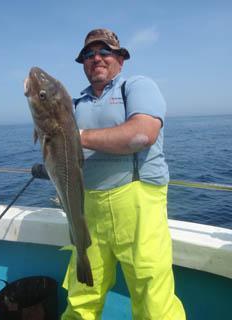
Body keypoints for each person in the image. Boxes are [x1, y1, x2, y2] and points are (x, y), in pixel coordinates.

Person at [61, 28, 186, 320]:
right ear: (83, 63)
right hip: (87, 208)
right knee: (82, 293)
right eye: (89, 55)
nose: (97, 58)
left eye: (105, 52)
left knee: (152, 297)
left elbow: (143, 134)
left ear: (120, 59)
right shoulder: (74, 106)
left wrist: (75, 136)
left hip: (138, 202)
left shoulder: (136, 86)